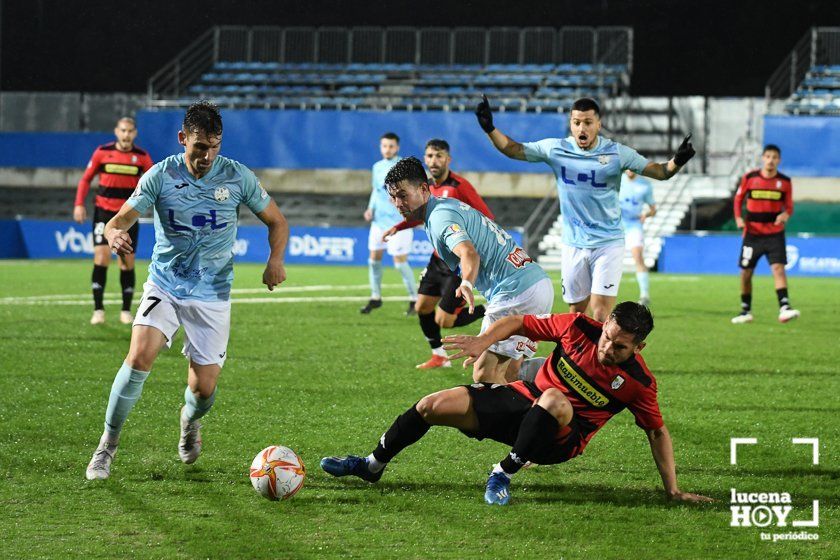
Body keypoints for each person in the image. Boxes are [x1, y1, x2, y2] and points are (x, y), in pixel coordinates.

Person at [320, 302, 713, 507]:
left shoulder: (639, 384)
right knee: (431, 405)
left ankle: (502, 474)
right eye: (607, 337)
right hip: (522, 401)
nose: (608, 347)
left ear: (639, 347)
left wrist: (673, 490)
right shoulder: (577, 327)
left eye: (620, 345)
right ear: (604, 324)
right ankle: (372, 466)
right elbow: (521, 322)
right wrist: (482, 341)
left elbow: (657, 432)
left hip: (560, 439)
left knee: (555, 399)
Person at [85, 102, 290, 480]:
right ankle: (107, 446)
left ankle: (189, 421)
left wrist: (275, 260)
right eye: (199, 147)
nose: (207, 155)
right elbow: (121, 219)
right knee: (138, 359)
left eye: (214, 146)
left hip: (211, 296)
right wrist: (113, 231)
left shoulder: (237, 176)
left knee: (203, 388)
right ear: (183, 140)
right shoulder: (160, 175)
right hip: (166, 284)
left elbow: (277, 221)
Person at [476, 95, 694, 322]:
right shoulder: (556, 149)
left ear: (598, 125)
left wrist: (677, 160)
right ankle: (578, 357)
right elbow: (513, 149)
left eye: (588, 122)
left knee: (600, 313)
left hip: (608, 243)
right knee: (577, 314)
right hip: (574, 244)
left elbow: (660, 172)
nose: (582, 127)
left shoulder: (616, 153)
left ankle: (598, 358)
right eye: (577, 122)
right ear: (571, 123)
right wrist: (490, 128)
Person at [381, 156, 552, 384]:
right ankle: (557, 379)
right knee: (510, 373)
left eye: (403, 195)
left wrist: (467, 282)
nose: (398, 203)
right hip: (535, 284)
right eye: (392, 197)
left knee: (484, 375)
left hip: (515, 293)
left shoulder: (440, 218)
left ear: (423, 189)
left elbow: (469, 253)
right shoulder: (443, 207)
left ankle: (560, 379)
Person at [384, 139, 494, 369]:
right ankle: (439, 355)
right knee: (422, 307)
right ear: (425, 159)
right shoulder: (424, 187)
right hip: (437, 258)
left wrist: (469, 246)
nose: (434, 161)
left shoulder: (459, 186)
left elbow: (486, 217)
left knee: (445, 320)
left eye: (439, 156)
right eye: (430, 156)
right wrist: (399, 227)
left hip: (458, 260)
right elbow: (416, 213)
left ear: (448, 159)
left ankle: (490, 309)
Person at [73, 117, 154, 325]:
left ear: (135, 134)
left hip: (127, 216)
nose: (126, 135)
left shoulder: (142, 157)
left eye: (130, 131)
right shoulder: (102, 152)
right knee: (101, 257)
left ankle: (125, 310)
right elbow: (86, 179)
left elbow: (155, 183)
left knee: (126, 262)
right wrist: (79, 204)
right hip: (103, 212)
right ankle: (98, 310)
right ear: (117, 131)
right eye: (123, 130)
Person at [731, 144, 799, 324]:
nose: (771, 160)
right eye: (768, 156)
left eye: (774, 157)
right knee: (745, 272)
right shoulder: (750, 178)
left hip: (775, 234)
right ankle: (745, 310)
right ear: (762, 158)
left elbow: (790, 206)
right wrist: (738, 218)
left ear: (779, 160)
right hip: (752, 234)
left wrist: (785, 214)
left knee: (778, 268)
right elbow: (738, 199)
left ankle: (785, 307)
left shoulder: (785, 182)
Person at [360, 132, 417, 315]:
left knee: (400, 263)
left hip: (399, 222)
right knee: (373, 259)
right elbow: (376, 191)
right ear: (380, 147)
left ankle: (414, 299)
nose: (387, 149)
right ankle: (375, 297)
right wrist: (370, 208)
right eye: (384, 146)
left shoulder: (405, 168)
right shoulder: (377, 167)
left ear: (397, 148)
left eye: (391, 146)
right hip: (378, 222)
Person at [620, 170, 657, 306]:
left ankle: (644, 295)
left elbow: (653, 209)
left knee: (638, 256)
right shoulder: (617, 179)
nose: (629, 171)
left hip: (634, 225)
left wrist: (646, 215)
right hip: (616, 224)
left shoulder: (644, 185)